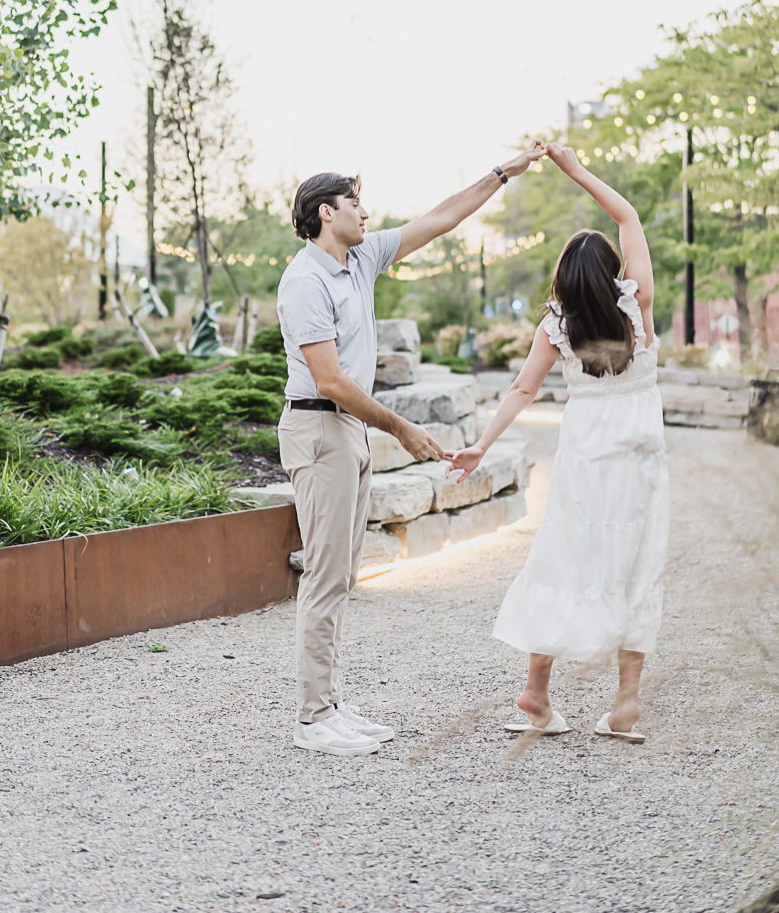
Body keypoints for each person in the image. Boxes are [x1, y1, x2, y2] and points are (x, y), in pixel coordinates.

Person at [277, 145, 544, 757]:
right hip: (320, 429)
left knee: (342, 573)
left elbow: (442, 217)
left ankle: (330, 704)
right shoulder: (305, 280)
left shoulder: (360, 258)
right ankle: (313, 718)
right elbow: (330, 380)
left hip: (348, 432)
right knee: (324, 575)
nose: (365, 213)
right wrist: (401, 428)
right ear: (325, 213)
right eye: (354, 203)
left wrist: (502, 174)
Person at [448, 142, 669, 744]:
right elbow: (628, 218)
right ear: (610, 273)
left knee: (562, 560)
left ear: (564, 280)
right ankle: (624, 705)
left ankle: (536, 693)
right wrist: (575, 170)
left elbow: (521, 389)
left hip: (583, 464)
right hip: (640, 464)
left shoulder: (557, 325)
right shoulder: (635, 307)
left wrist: (481, 446)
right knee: (635, 567)